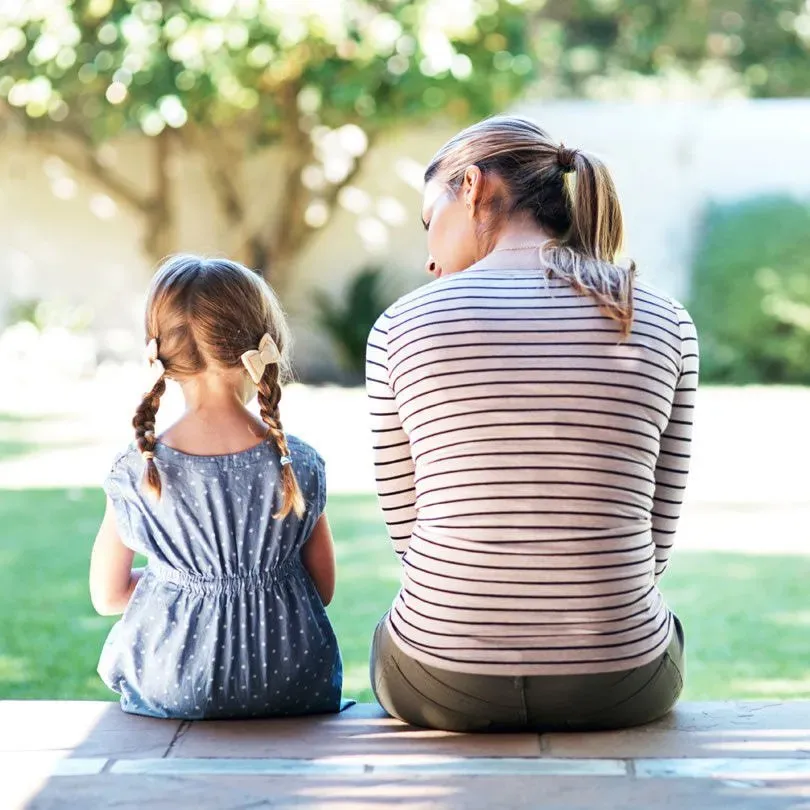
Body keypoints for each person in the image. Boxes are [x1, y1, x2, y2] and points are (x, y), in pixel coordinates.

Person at [366, 116, 698, 732]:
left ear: (470, 186)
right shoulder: (661, 317)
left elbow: (409, 535)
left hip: (442, 680)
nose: (429, 255)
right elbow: (656, 537)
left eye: (427, 220)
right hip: (620, 681)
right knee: (663, 626)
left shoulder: (400, 326)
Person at [90, 255, 344, 719]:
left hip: (173, 684)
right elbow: (322, 588)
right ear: (263, 344)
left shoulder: (138, 469)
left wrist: (181, 580)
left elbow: (107, 597)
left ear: (160, 354)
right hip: (291, 682)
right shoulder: (299, 463)